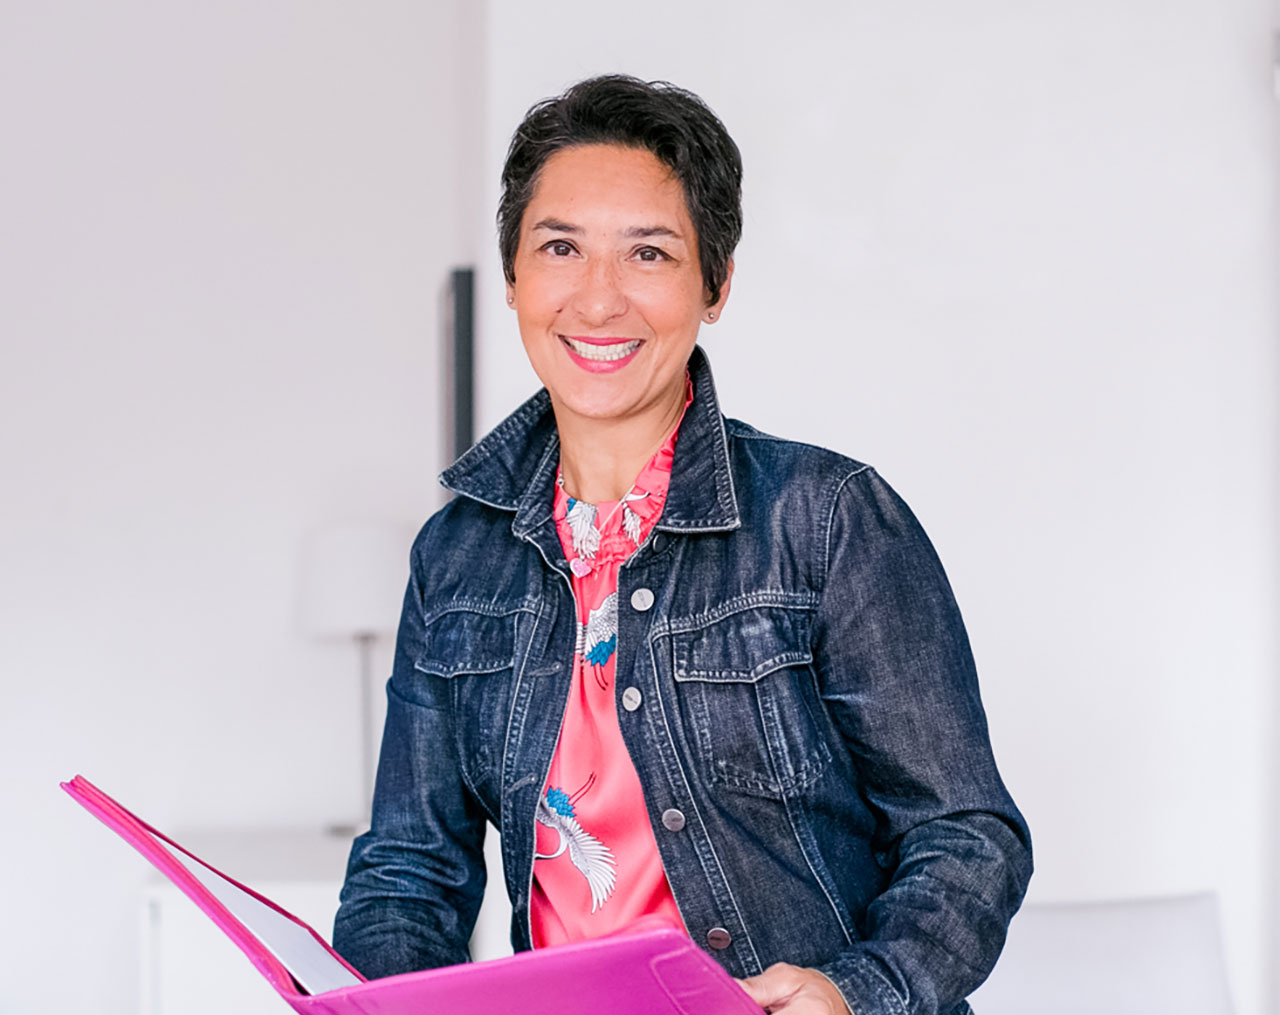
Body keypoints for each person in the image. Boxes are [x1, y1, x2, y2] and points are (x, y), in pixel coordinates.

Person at [333, 74, 1031, 1015]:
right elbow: (407, 869)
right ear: (512, 277)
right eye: (560, 247)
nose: (598, 297)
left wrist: (853, 992)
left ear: (716, 285)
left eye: (649, 253)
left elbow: (966, 834)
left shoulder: (826, 518)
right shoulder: (456, 554)